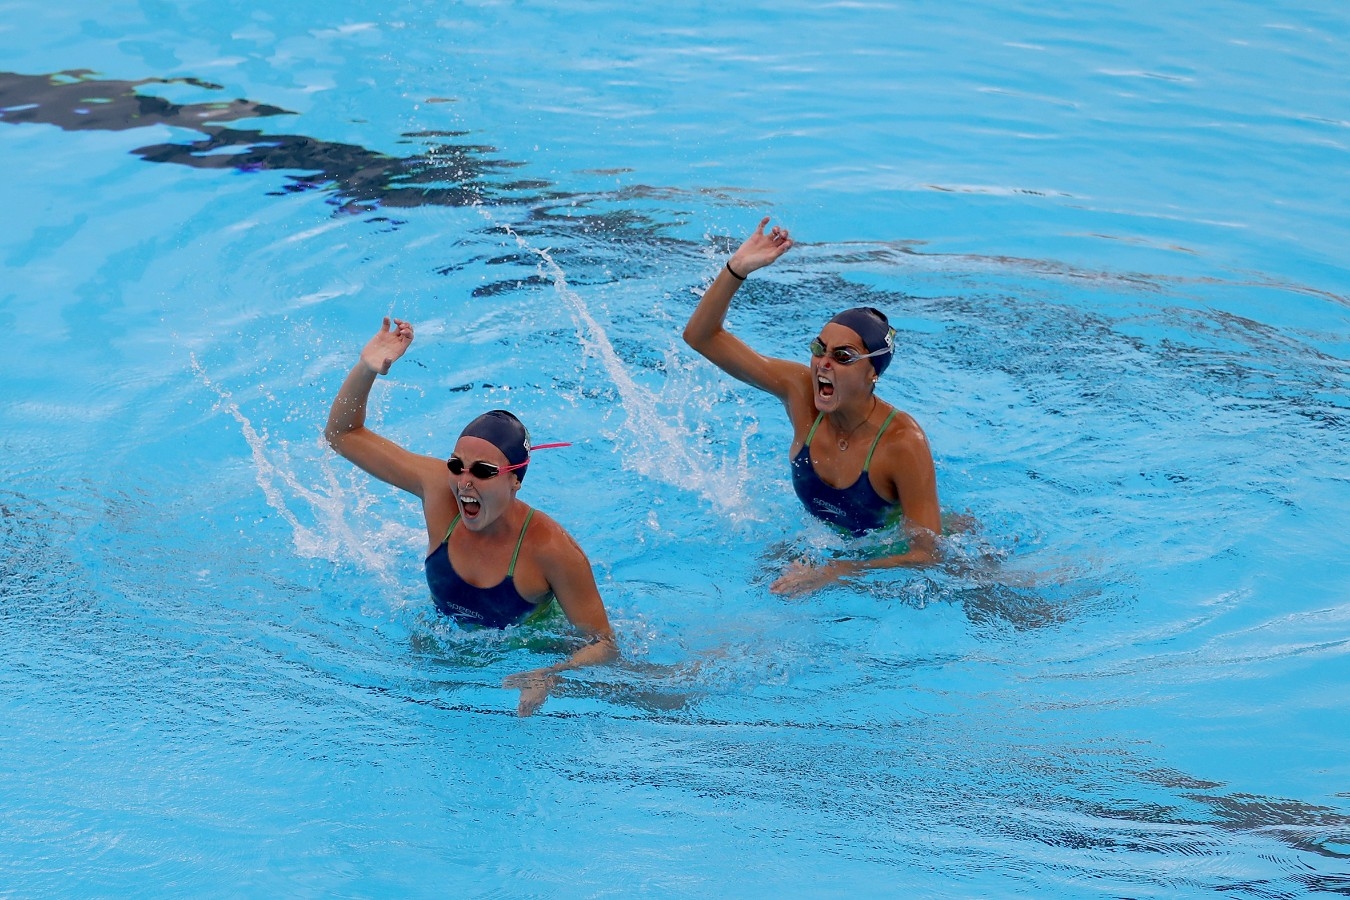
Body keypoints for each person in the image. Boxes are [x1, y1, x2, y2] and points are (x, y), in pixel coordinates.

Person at [325, 317, 617, 715]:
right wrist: (365, 369)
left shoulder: (550, 549)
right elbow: (343, 434)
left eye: (482, 471)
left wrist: (552, 673)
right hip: (434, 667)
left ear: (516, 481)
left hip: (521, 664)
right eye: (456, 464)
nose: (463, 481)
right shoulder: (438, 489)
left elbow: (603, 644)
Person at [683, 217, 942, 595]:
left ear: (873, 373)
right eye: (819, 349)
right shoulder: (800, 392)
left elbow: (927, 555)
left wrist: (839, 572)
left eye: (843, 356)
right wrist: (736, 270)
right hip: (825, 549)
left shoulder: (902, 443)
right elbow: (701, 336)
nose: (823, 363)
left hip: (884, 558)